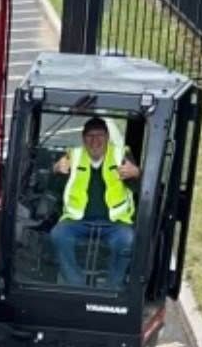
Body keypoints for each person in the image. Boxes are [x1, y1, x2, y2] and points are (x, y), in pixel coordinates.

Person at [50, 117, 140, 288]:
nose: (95, 141)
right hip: (77, 221)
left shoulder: (121, 155)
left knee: (128, 240)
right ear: (83, 139)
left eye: (100, 136)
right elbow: (53, 188)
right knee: (58, 235)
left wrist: (136, 173)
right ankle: (76, 285)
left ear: (107, 137)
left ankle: (112, 287)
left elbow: (138, 188)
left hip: (115, 223)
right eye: (90, 136)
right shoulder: (73, 156)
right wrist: (55, 170)